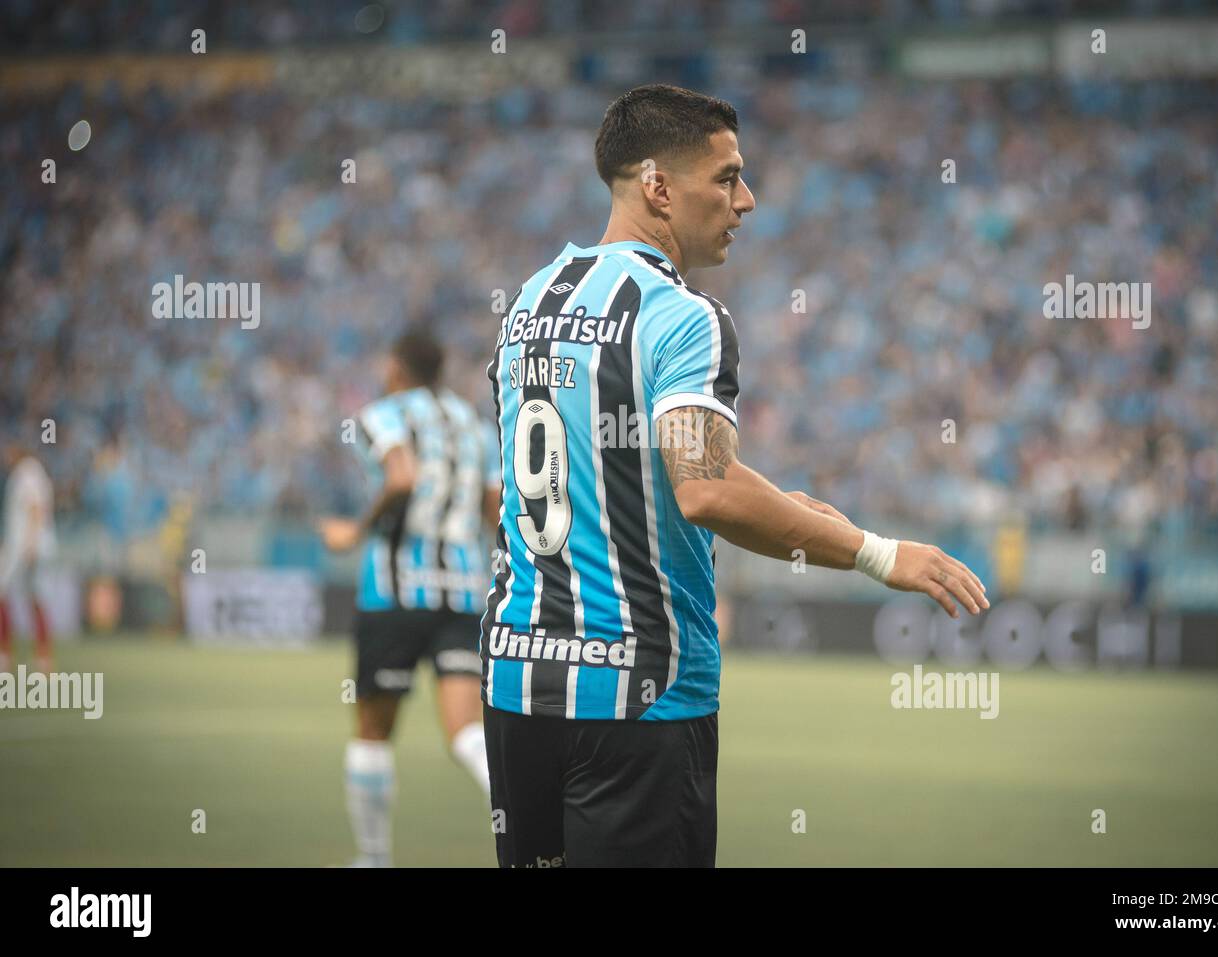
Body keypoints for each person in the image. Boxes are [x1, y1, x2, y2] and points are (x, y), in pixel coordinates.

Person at [479, 83, 989, 867]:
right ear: (657, 185)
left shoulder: (529, 302)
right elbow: (705, 487)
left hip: (518, 683)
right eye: (726, 178)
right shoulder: (683, 315)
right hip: (640, 695)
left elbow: (595, 470)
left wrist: (780, 504)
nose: (746, 200)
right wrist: (876, 551)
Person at [319, 329, 502, 867]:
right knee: (467, 731)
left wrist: (356, 531)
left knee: (373, 731)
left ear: (397, 367)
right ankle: (537, 829)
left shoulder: (385, 414)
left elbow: (401, 476)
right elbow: (494, 512)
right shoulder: (474, 425)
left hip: (395, 594)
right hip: (464, 594)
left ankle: (373, 859)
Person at [0, 444, 56, 675]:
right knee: (35, 598)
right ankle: (42, 659)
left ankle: (6, 655)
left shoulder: (28, 473)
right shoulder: (31, 472)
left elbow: (36, 509)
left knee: (13, 595)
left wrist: (32, 543)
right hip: (24, 547)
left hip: (25, 548)